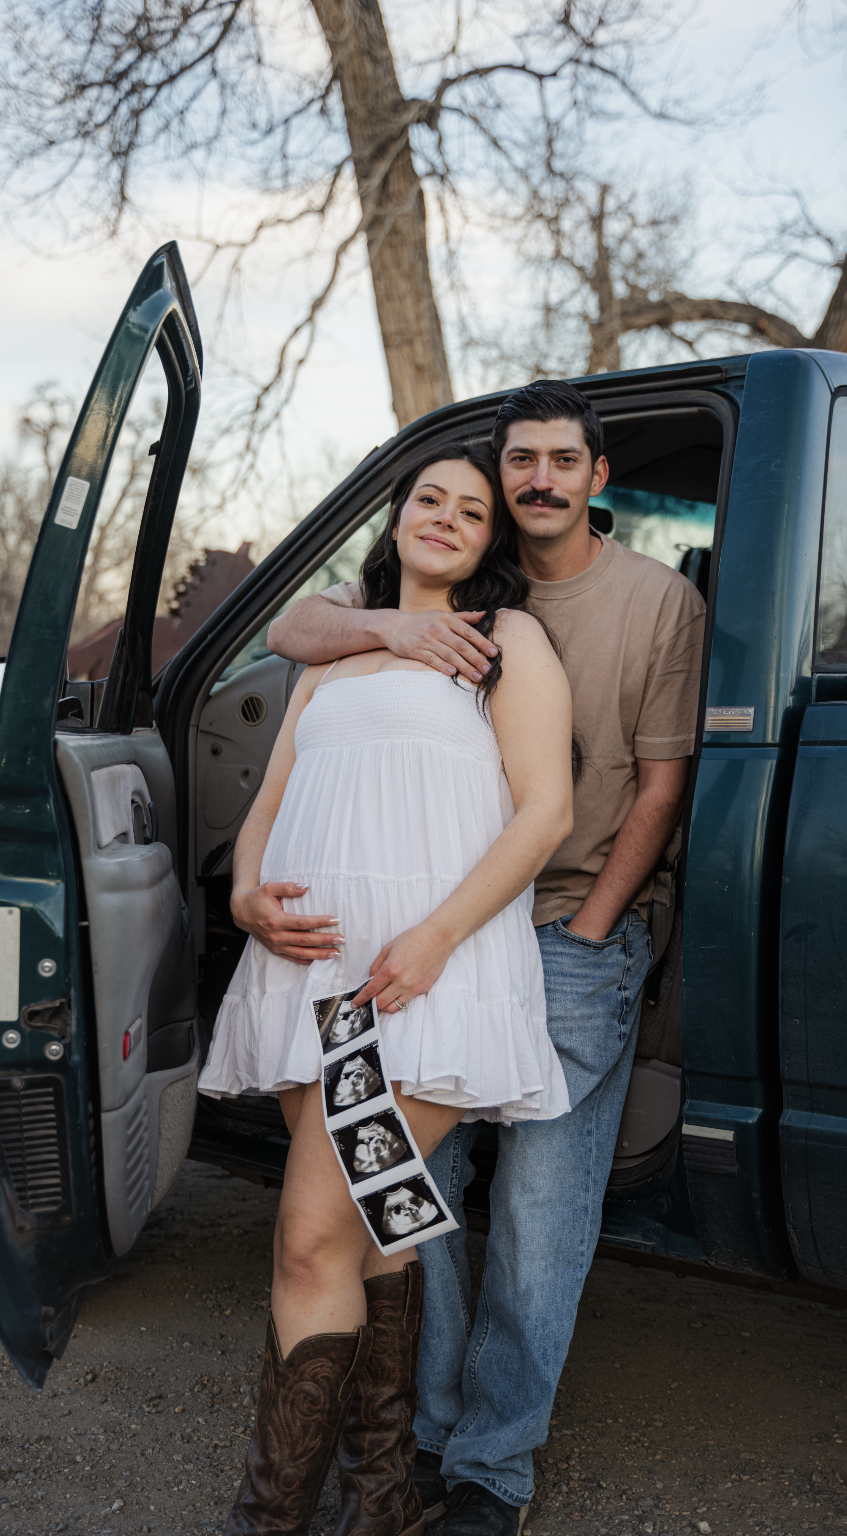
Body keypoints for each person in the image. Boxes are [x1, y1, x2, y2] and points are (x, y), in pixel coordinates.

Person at [268, 381, 706, 1536]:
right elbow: (294, 628)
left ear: (597, 478)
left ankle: (489, 1473)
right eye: (521, 461)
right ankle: (412, 1439)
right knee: (414, 1203)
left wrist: (594, 928)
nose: (538, 479)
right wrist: (391, 625)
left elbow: (655, 785)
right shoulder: (466, 576)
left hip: (562, 926)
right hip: (442, 933)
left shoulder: (653, 602)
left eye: (563, 460)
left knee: (538, 1222)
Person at [198, 439, 573, 1536]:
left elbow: (542, 812)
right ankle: (379, 1503)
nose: (447, 516)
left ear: (490, 539)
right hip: (304, 971)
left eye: (471, 507)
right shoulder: (334, 652)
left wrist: (436, 939)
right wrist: (244, 900)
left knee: (311, 1242)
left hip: (417, 980)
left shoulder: (506, 642)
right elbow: (269, 806)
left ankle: (265, 1520)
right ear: (398, 518)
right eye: (428, 499)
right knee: (377, 1230)